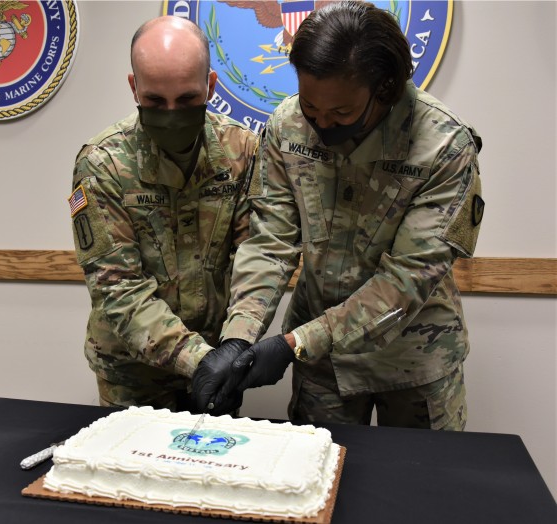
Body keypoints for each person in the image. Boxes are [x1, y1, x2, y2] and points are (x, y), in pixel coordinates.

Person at [193, 0, 484, 430]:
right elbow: (270, 240)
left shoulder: (443, 147)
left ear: (384, 88)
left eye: (341, 113)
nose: (322, 124)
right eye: (312, 108)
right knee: (318, 484)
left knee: (421, 489)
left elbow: (405, 279)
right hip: (322, 370)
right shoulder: (287, 126)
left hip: (413, 361)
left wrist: (295, 344)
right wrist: (239, 335)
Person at [68, 16, 257, 411]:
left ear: (210, 86)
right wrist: (198, 360)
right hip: (132, 376)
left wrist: (236, 346)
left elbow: (254, 260)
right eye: (155, 101)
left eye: (187, 100)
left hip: (219, 363)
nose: (171, 113)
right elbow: (117, 288)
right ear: (134, 88)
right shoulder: (103, 163)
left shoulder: (243, 153)